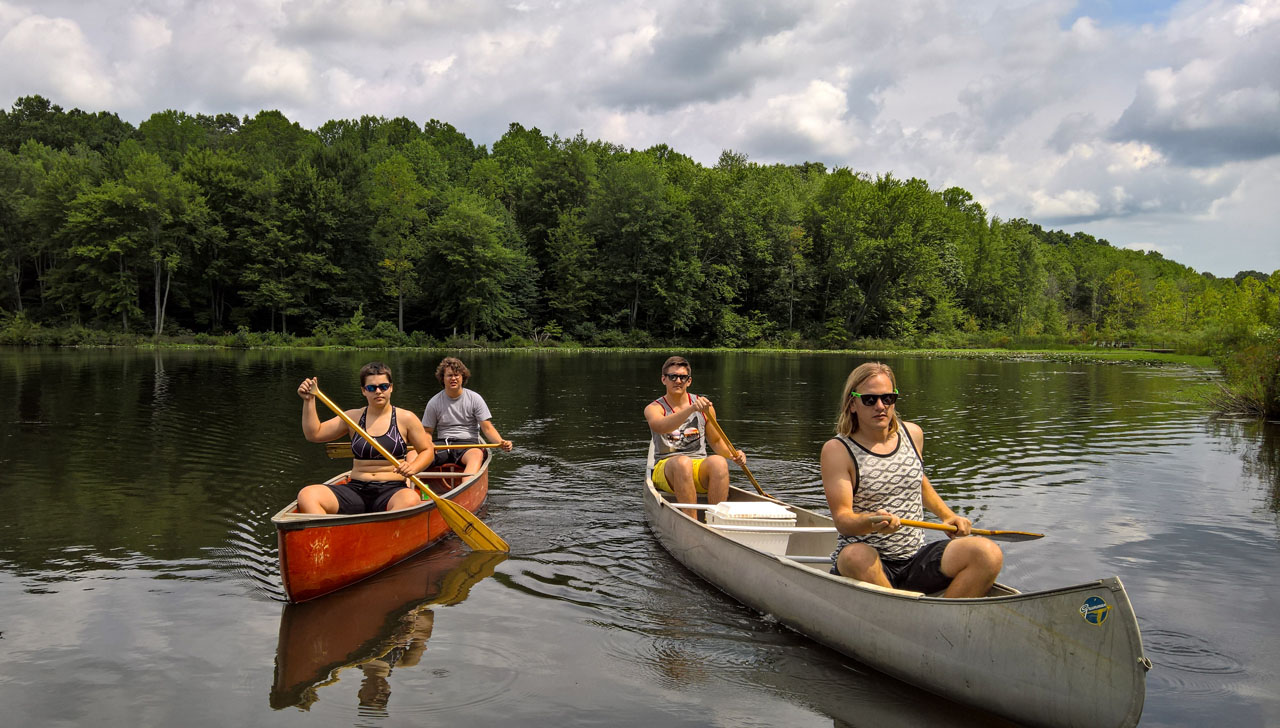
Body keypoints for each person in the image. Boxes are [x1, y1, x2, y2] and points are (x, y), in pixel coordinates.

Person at [821, 362, 1003, 598]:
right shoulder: (837, 450)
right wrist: (871, 521)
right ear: (853, 403)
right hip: (868, 564)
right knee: (854, 556)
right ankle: (906, 615)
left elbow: (917, 479)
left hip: (914, 558)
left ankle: (939, 621)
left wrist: (948, 515)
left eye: (888, 398)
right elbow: (843, 520)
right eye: (870, 400)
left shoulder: (912, 434)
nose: (881, 406)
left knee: (988, 553)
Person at [295, 362, 436, 514]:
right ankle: (327, 534)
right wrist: (309, 401)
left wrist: (414, 467)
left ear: (391, 388)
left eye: (383, 386)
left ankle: (383, 532)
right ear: (364, 391)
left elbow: (427, 450)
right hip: (356, 489)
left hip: (392, 490)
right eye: (371, 388)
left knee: (410, 499)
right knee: (308, 495)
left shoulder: (406, 418)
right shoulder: (352, 417)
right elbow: (314, 434)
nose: (378, 391)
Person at [644, 355, 747, 512]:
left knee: (719, 462)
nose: (678, 381)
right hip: (666, 467)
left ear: (689, 381)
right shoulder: (655, 408)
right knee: (682, 462)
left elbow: (717, 441)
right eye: (672, 377)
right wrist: (691, 409)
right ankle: (691, 520)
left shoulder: (705, 407)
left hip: (697, 464)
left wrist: (734, 454)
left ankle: (715, 518)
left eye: (682, 377)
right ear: (664, 379)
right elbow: (660, 427)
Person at [420, 357, 513, 475]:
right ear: (443, 379)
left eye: (456, 375)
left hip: (468, 445)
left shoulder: (475, 399)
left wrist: (501, 442)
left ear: (462, 377)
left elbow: (487, 428)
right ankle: (410, 488)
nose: (453, 378)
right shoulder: (434, 402)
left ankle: (466, 485)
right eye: (449, 375)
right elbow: (427, 432)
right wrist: (429, 444)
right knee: (413, 454)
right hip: (443, 444)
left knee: (477, 455)